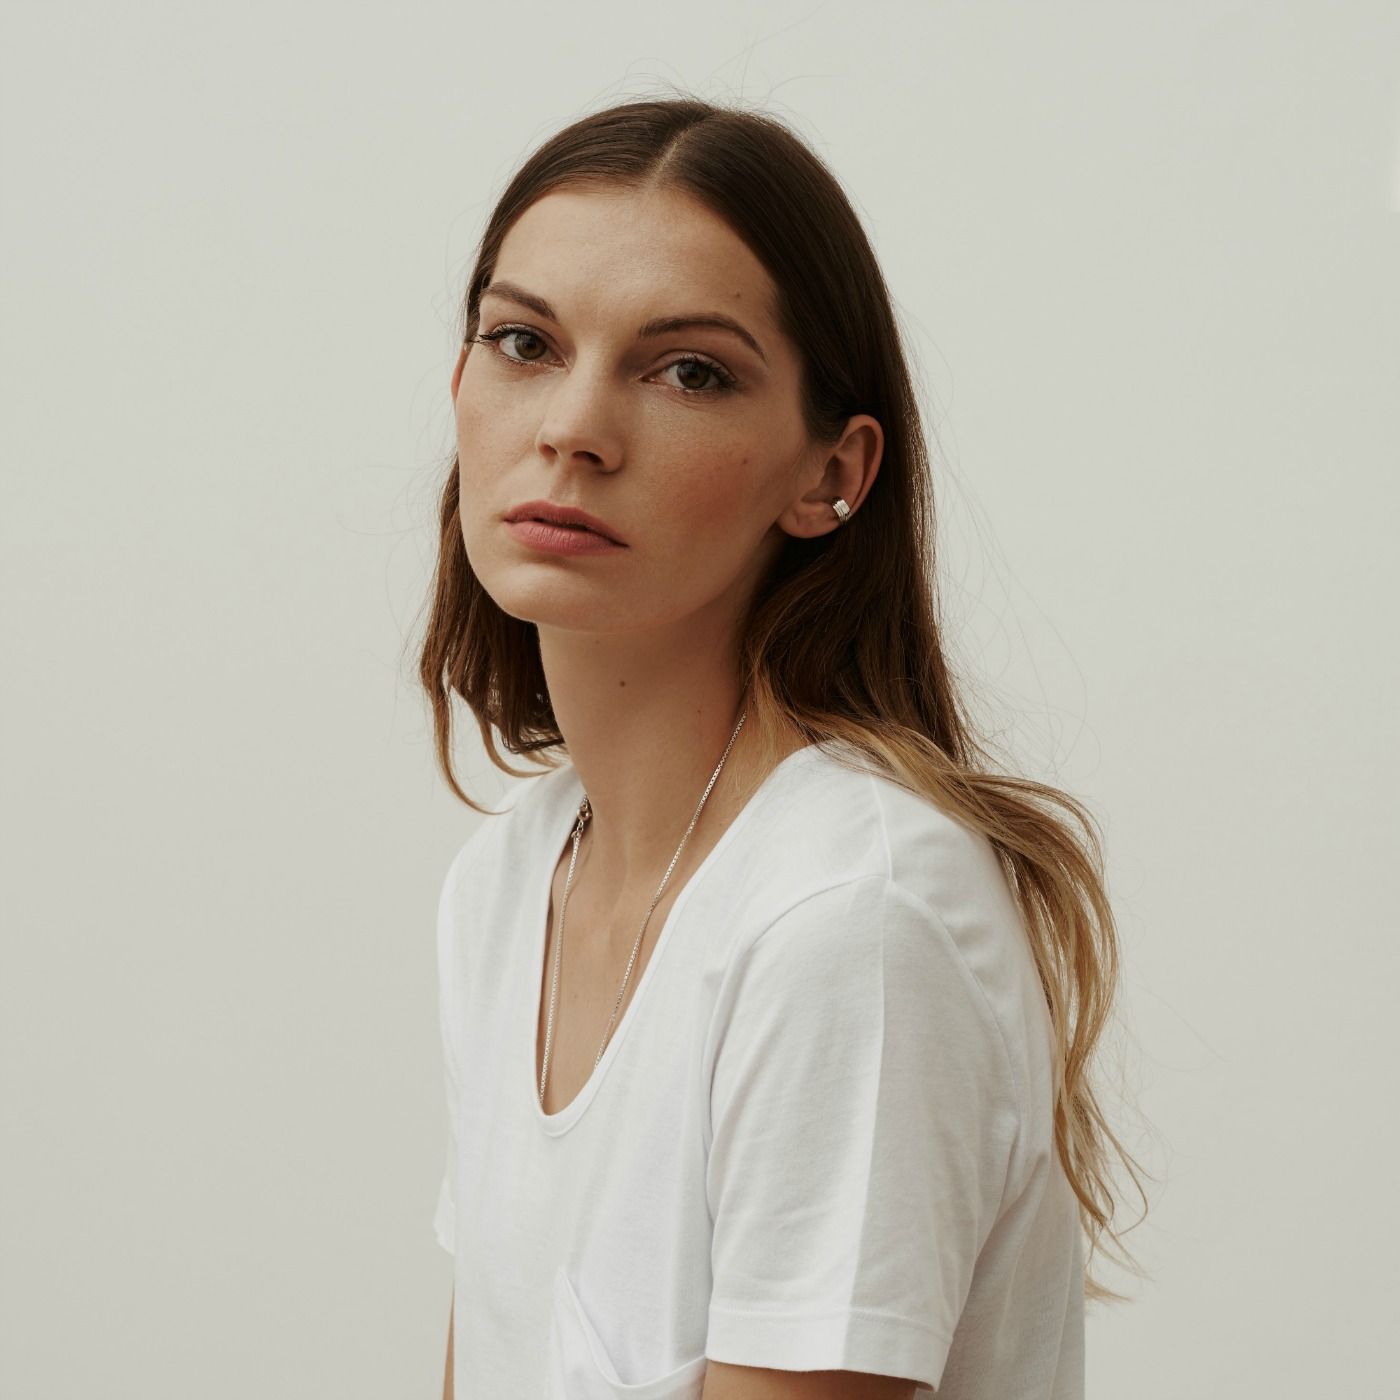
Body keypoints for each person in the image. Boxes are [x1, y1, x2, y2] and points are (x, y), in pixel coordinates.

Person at [417, 92, 1145, 1400]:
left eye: (689, 371)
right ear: (460, 385)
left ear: (832, 475)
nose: (573, 426)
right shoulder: (507, 887)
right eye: (525, 342)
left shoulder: (848, 919)